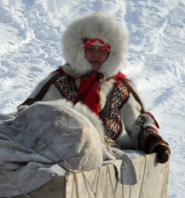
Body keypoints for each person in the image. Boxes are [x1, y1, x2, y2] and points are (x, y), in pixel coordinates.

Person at [19, 12, 170, 163]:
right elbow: (33, 111)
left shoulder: (121, 87)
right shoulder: (60, 81)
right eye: (91, 49)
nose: (96, 55)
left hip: (112, 155)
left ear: (110, 54)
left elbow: (138, 123)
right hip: (63, 151)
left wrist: (153, 141)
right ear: (80, 50)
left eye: (101, 50)